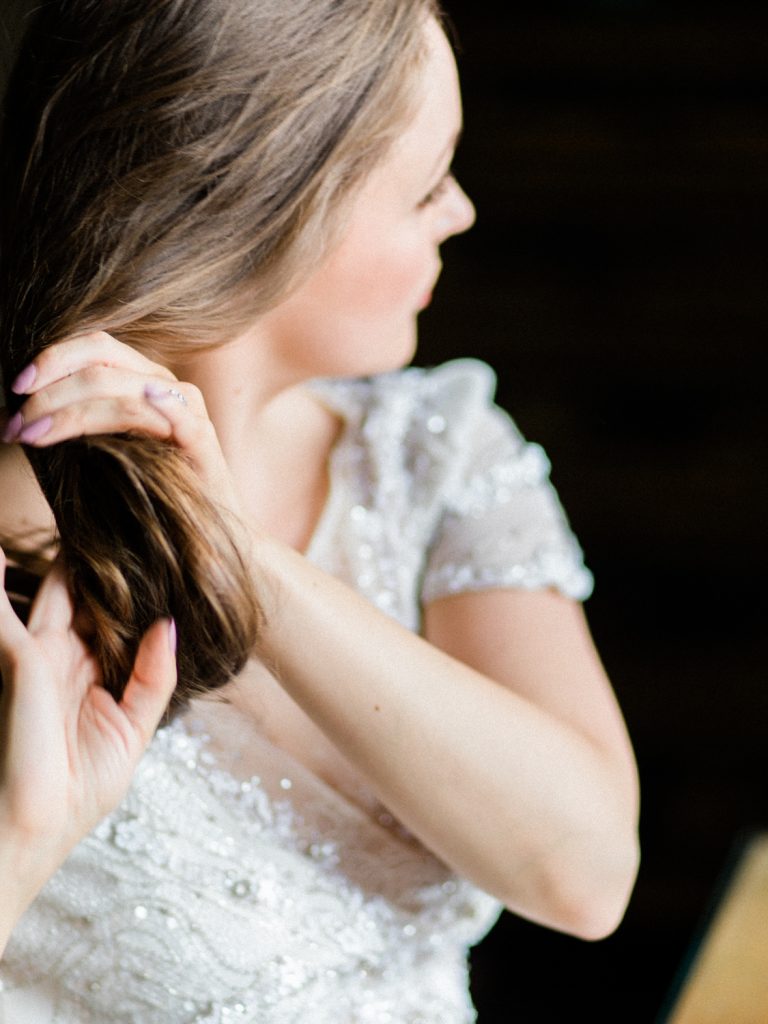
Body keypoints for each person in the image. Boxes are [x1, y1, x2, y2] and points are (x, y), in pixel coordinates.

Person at [0, 1, 640, 1021]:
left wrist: (243, 565)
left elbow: (588, 873)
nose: (462, 209)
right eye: (427, 183)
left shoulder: (434, 449)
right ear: (262, 209)